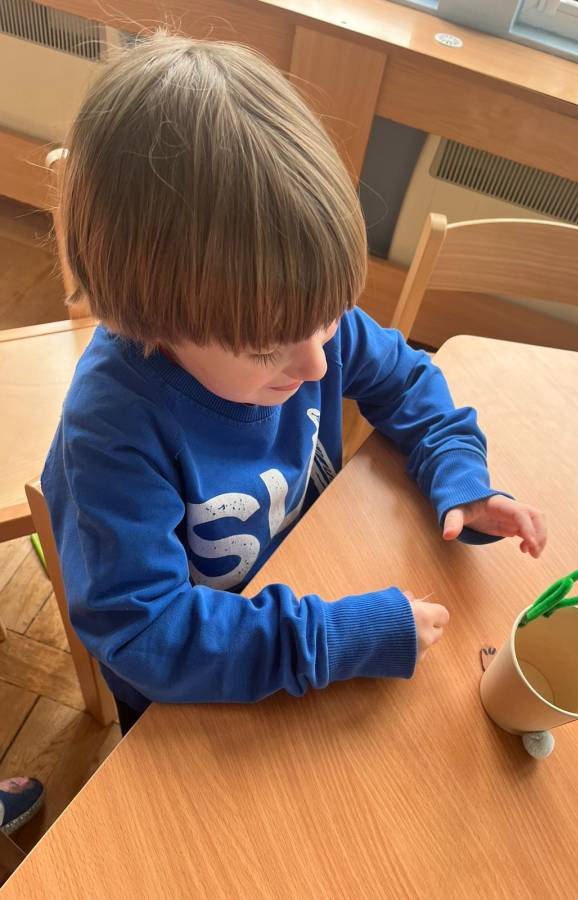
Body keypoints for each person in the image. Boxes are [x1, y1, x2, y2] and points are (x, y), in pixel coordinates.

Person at [42, 32, 546, 735]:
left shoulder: (292, 318)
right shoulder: (110, 431)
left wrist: (459, 474)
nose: (317, 367)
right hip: (187, 701)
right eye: (264, 351)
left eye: (330, 320)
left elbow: (406, 380)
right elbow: (146, 635)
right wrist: (331, 638)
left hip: (306, 592)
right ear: (151, 322)